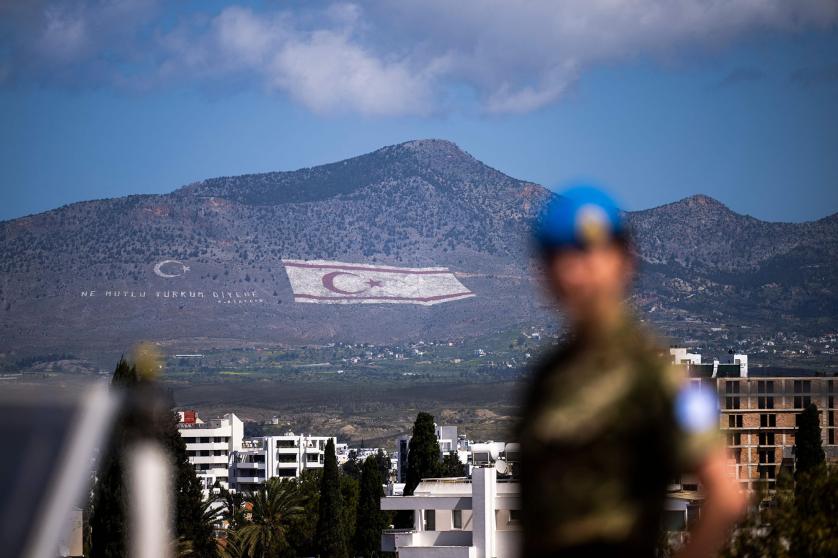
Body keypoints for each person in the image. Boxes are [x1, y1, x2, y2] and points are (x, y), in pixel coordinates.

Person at [518, 186, 746, 558]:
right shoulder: (546, 379)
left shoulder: (660, 378)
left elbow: (725, 495)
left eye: (587, 251)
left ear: (624, 260)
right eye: (558, 255)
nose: (574, 271)